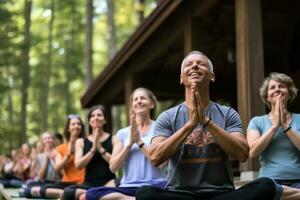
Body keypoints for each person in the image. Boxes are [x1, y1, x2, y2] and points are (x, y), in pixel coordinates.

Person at [136, 51, 282, 200]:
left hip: (221, 193)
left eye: (201, 64)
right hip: (180, 194)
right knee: (144, 193)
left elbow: (242, 154)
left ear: (212, 76)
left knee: (266, 185)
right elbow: (155, 157)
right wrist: (190, 125)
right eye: (189, 64)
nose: (194, 66)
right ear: (181, 78)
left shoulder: (228, 114)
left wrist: (206, 122)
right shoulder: (167, 117)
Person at [85, 88, 167, 200]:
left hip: (154, 185)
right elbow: (113, 167)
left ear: (152, 104)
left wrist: (139, 142)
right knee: (91, 194)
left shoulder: (160, 128)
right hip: (128, 187)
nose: (139, 101)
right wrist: (128, 146)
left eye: (143, 98)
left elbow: (162, 163)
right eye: (136, 99)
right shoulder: (122, 133)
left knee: (147, 193)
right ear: (132, 106)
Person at [247, 72, 300, 198]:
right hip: (270, 182)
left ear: (289, 93)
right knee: (264, 190)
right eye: (272, 87)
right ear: (267, 97)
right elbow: (253, 152)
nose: (277, 89)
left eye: (281, 86)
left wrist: (286, 126)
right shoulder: (257, 121)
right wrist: (275, 126)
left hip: (298, 180)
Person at [62, 106, 116, 200]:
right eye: (93, 116)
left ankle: (93, 195)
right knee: (68, 193)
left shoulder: (114, 139)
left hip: (109, 182)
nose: (96, 118)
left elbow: (116, 164)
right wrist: (93, 150)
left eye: (99, 115)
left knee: (117, 184)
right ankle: (96, 194)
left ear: (105, 120)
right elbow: (78, 165)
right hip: (88, 184)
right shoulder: (81, 141)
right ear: (90, 121)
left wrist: (100, 149)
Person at [39, 114, 85, 199]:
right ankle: (69, 195)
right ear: (68, 128)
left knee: (70, 191)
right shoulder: (60, 148)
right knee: (43, 189)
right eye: (73, 124)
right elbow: (57, 168)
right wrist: (68, 154)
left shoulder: (87, 143)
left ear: (81, 127)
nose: (76, 126)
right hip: (67, 183)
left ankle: (72, 194)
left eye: (78, 124)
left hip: (83, 182)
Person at [23, 131, 61, 198]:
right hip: (44, 182)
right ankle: (47, 193)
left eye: (49, 138)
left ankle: (47, 193)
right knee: (27, 188)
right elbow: (40, 177)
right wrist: (46, 160)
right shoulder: (39, 156)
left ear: (53, 140)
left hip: (56, 182)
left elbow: (61, 172)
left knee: (33, 190)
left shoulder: (58, 151)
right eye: (45, 139)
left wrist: (52, 159)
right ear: (42, 141)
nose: (47, 140)